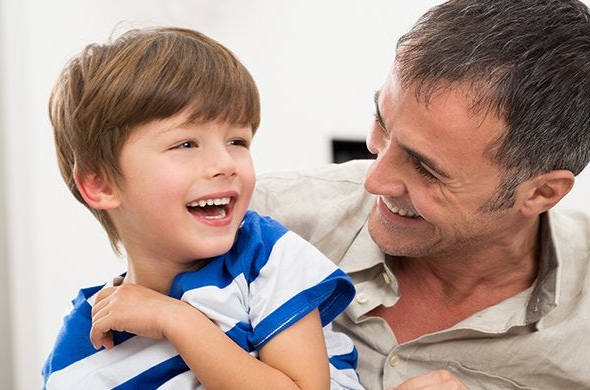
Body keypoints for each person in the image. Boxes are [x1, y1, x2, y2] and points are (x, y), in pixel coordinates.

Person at [249, 0, 590, 388]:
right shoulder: (263, 220)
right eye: (383, 122)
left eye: (426, 168)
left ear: (542, 192)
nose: (375, 179)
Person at [41, 27, 362, 389]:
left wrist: (177, 321)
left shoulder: (266, 257)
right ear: (100, 184)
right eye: (186, 144)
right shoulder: (81, 352)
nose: (226, 163)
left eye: (237, 140)